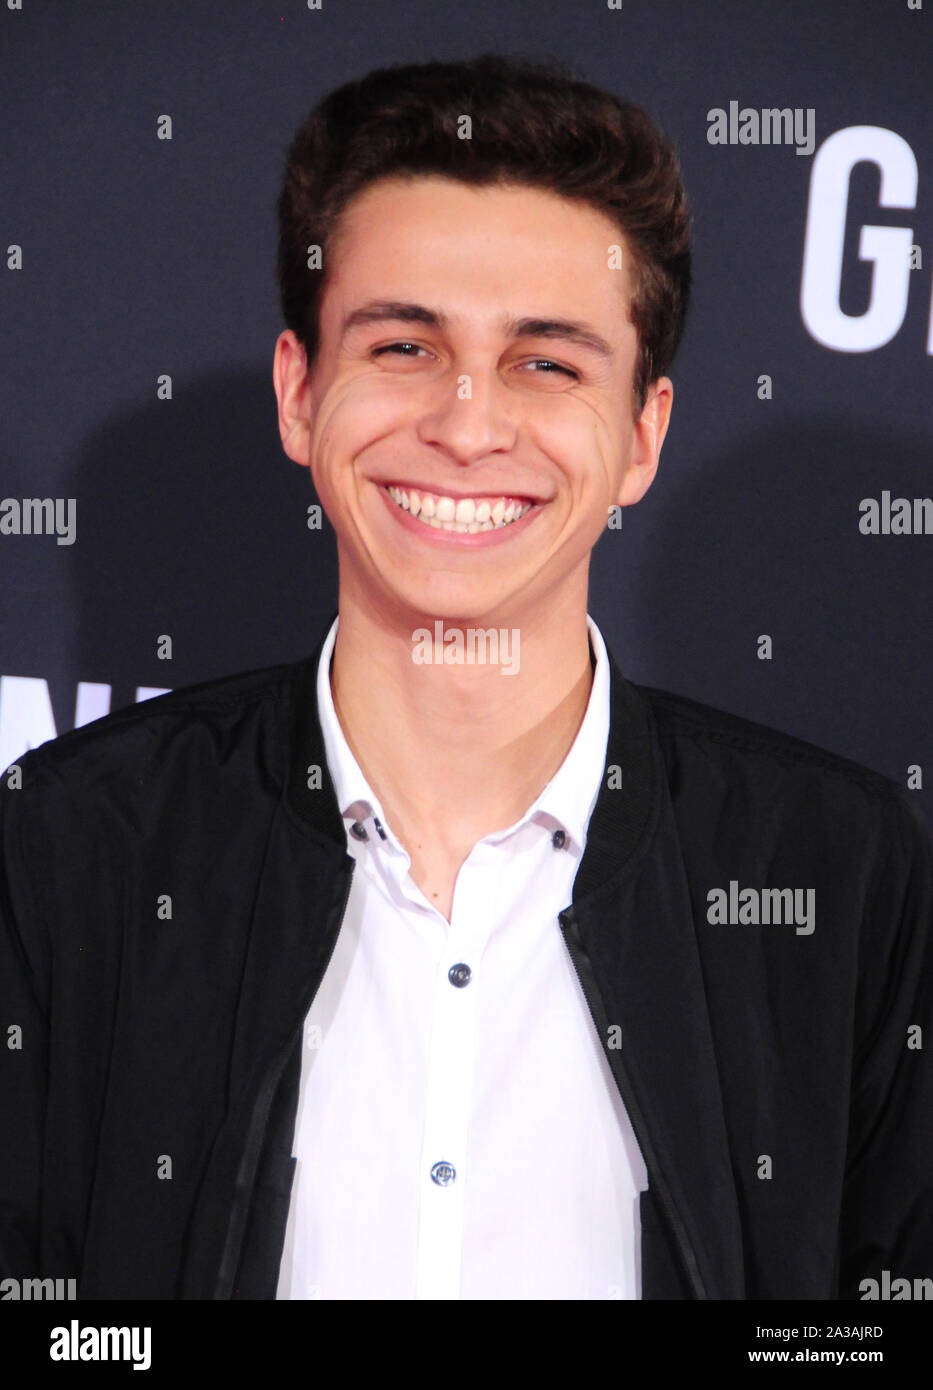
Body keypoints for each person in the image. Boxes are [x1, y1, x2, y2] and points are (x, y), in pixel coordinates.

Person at [1, 54, 931, 1301]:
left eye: (547, 362)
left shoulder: (845, 874)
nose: (467, 421)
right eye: (402, 344)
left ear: (643, 434)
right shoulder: (67, 852)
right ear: (299, 393)